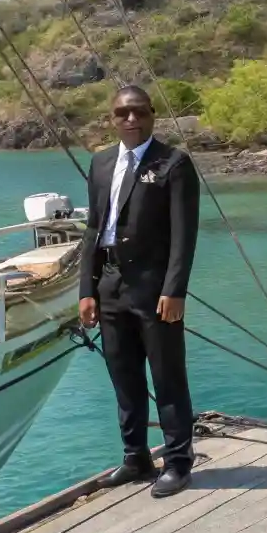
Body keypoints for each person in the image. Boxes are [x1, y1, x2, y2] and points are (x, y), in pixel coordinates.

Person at [77, 85, 201, 498]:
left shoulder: (173, 163)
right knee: (124, 375)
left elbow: (184, 234)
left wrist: (175, 288)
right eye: (121, 113)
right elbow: (94, 229)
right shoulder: (101, 162)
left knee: (167, 375)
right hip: (110, 284)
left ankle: (179, 461)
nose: (131, 119)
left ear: (151, 115)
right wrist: (87, 289)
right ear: (112, 119)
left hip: (154, 288)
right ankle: (136, 456)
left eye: (138, 112)